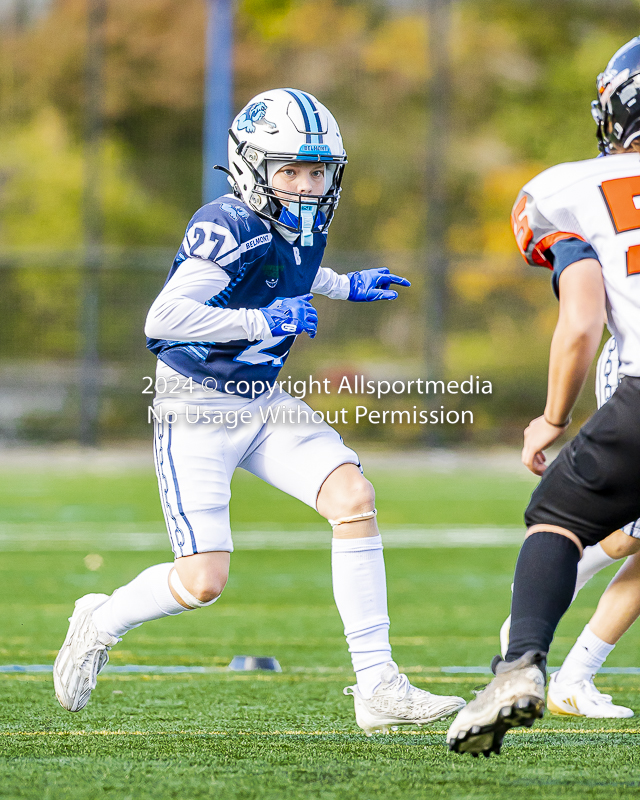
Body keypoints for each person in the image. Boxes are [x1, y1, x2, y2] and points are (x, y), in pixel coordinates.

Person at [53, 88, 465, 734]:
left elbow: (289, 268)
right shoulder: (227, 222)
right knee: (202, 581)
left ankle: (378, 684)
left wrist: (343, 285)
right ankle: (100, 620)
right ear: (252, 167)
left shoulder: (299, 221)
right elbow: (161, 320)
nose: (305, 186)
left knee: (353, 496)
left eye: (316, 171)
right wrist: (261, 320)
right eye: (290, 171)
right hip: (198, 406)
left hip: (263, 402)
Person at [447, 38, 640, 756]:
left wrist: (552, 418)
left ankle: (520, 664)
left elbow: (583, 317)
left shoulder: (566, 189)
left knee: (556, 515)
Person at [499, 337, 640, 719]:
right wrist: (552, 418)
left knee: (631, 541)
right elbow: (579, 321)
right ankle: (544, 585)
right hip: (636, 369)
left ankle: (574, 675)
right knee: (629, 537)